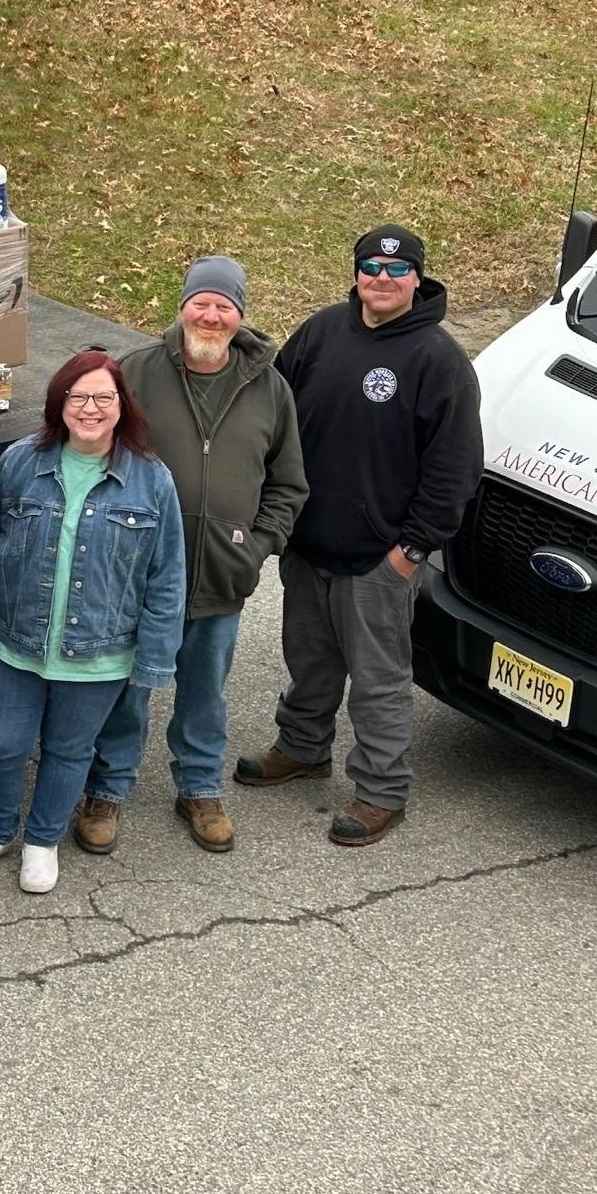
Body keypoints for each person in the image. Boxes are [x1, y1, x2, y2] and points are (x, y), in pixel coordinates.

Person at [235, 225, 483, 845]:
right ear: (355, 273)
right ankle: (302, 747)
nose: (383, 277)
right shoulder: (322, 331)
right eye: (370, 265)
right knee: (310, 661)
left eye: (398, 270)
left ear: (417, 279)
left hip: (381, 559)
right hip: (308, 543)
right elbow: (272, 404)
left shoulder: (439, 361)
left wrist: (411, 551)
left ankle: (381, 791)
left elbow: (455, 471)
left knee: (378, 682)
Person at [81, 257, 308, 854]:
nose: (211, 315)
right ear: (182, 306)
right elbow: (96, 459)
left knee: (205, 691)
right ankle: (107, 790)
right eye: (201, 302)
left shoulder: (269, 388)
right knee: (126, 687)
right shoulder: (135, 373)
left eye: (224, 306)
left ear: (240, 315)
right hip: (137, 575)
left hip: (221, 575)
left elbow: (288, 484)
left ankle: (200, 789)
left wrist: (256, 547)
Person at [0, 351, 187, 895]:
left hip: (101, 650)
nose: (90, 408)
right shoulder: (19, 464)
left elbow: (167, 576)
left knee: (69, 750)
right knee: (1, 743)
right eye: (78, 396)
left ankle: (42, 840)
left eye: (103, 397)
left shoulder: (151, 481)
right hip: (15, 641)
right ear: (59, 403)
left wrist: (152, 658)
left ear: (121, 406)